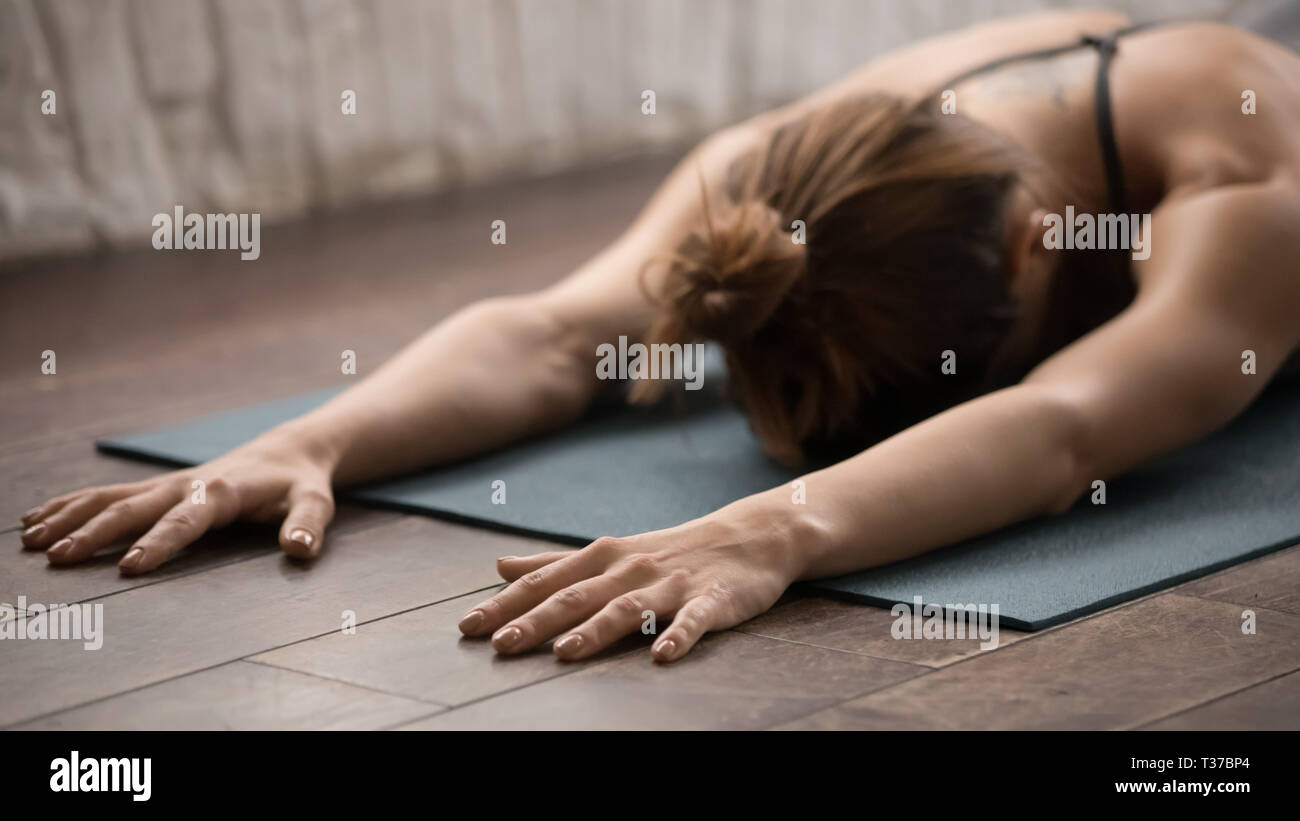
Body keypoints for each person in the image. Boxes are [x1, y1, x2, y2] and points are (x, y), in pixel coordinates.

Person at [19, 11, 1300, 662]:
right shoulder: (779, 168)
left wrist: (774, 529)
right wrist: (305, 439)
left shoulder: (1246, 176)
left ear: (1034, 246)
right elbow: (554, 336)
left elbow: (1065, 422)